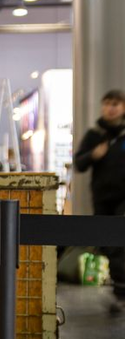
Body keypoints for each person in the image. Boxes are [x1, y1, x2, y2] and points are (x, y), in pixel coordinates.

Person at [73, 88, 125, 310]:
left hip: (123, 198)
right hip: (103, 198)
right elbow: (79, 163)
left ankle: (121, 290)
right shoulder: (95, 134)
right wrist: (93, 155)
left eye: (115, 104)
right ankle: (119, 285)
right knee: (107, 243)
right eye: (107, 103)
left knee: (120, 242)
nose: (110, 108)